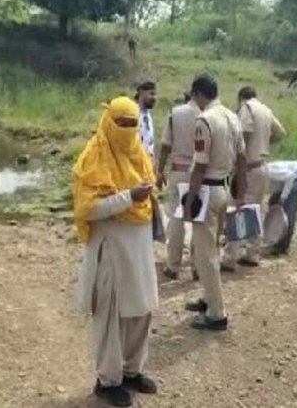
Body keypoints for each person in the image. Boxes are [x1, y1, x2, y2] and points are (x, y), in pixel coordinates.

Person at [73, 96, 159, 407]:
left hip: (138, 246)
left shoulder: (139, 154)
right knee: (110, 314)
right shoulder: (94, 156)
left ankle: (131, 370)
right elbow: (88, 209)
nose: (126, 129)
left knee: (142, 308)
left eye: (132, 124)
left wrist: (146, 196)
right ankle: (107, 381)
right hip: (110, 247)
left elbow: (149, 195)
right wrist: (127, 198)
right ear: (108, 121)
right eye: (120, 123)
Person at [183, 73, 246, 331]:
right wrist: (241, 191)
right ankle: (209, 298)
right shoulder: (233, 116)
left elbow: (200, 165)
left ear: (198, 94)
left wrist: (189, 201)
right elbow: (241, 158)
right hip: (223, 188)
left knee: (205, 253)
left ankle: (217, 312)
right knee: (211, 249)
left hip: (206, 191)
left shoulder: (205, 120)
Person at [222, 86, 286, 270]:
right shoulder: (266, 109)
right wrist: (264, 143)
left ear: (241, 97)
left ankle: (230, 257)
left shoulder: (246, 108)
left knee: (237, 210)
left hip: (247, 168)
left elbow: (244, 133)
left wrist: (236, 156)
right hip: (261, 166)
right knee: (254, 211)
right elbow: (280, 133)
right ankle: (252, 253)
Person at [157, 92, 201, 281]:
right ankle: (198, 267)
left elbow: (166, 145)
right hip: (201, 171)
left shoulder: (175, 113)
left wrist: (160, 170)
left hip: (179, 170)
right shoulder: (208, 115)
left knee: (177, 217)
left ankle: (173, 265)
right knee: (200, 219)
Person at [264, 160, 297, 256]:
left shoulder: (270, 173)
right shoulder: (260, 178)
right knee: (273, 203)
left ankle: (283, 246)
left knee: (288, 212)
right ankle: (274, 238)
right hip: (284, 182)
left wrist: (283, 197)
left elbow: (290, 177)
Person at [134, 81, 157, 164]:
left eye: (155, 95)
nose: (154, 98)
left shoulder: (148, 115)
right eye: (151, 94)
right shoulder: (132, 113)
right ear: (141, 92)